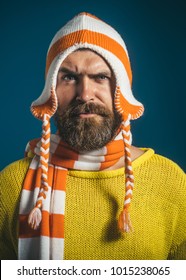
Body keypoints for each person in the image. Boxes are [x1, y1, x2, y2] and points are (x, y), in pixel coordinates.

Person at [0, 12, 186, 260]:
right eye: (69, 77)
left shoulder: (172, 183)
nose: (85, 94)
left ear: (122, 90)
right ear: (50, 92)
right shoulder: (10, 185)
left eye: (100, 77)